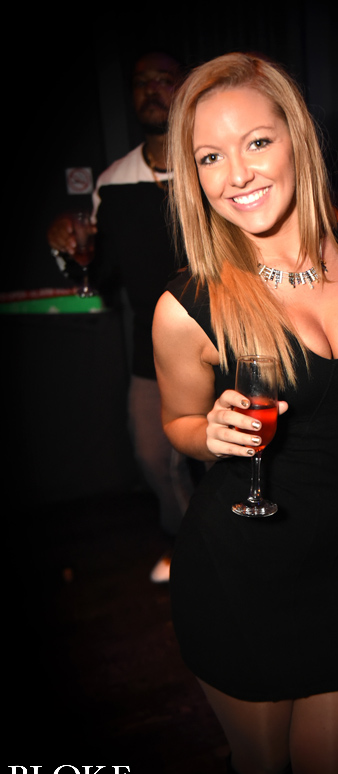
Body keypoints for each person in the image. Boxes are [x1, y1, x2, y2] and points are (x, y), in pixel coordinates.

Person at [152, 53, 338, 774]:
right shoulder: (187, 306)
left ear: (296, 138)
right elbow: (177, 420)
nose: (237, 174)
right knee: (264, 770)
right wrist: (207, 433)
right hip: (239, 576)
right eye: (210, 157)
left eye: (256, 142)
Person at [47, 52, 196, 582]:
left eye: (164, 80)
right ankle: (187, 543)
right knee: (153, 455)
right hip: (152, 352)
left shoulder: (210, 163)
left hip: (225, 344)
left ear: (185, 88)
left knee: (229, 458)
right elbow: (101, 273)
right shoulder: (113, 182)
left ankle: (234, 552)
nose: (152, 89)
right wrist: (70, 250)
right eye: (141, 82)